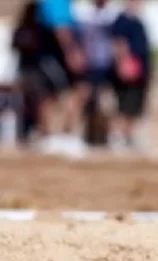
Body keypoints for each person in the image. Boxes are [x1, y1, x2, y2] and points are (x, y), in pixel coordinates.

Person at [36, 0, 89, 152]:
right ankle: (54, 136)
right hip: (55, 55)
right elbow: (61, 29)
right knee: (60, 94)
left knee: (68, 93)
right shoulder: (58, 3)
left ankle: (60, 135)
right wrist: (71, 52)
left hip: (55, 54)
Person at [109, 0, 152, 151]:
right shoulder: (122, 20)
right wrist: (123, 64)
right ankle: (118, 136)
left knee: (135, 105)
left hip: (140, 71)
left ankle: (129, 136)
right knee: (124, 105)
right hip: (129, 69)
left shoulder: (137, 21)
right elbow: (118, 43)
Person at [78, 0, 119, 145]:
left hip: (109, 65)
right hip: (91, 65)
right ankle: (89, 135)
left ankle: (107, 135)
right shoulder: (85, 15)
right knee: (90, 102)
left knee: (107, 102)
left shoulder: (113, 15)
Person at [11, 1, 44, 145]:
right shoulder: (25, 29)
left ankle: (33, 131)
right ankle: (22, 133)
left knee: (35, 105)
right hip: (27, 72)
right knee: (25, 105)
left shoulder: (39, 29)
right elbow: (15, 46)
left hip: (35, 72)